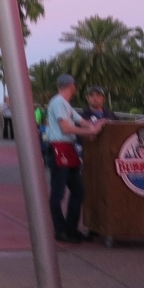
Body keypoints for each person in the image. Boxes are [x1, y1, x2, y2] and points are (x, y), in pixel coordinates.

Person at [46, 74, 104, 243]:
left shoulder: (66, 105)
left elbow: (81, 121)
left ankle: (71, 228)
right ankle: (60, 229)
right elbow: (66, 128)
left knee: (78, 190)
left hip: (67, 149)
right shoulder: (58, 102)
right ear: (72, 86)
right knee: (58, 192)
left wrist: (95, 126)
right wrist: (91, 131)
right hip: (59, 148)